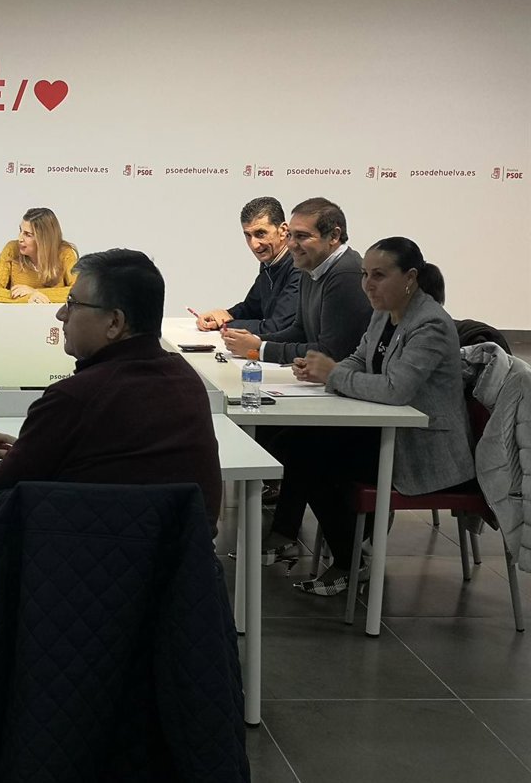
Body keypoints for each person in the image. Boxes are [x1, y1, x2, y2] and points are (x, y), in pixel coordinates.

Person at [0, 248, 221, 532]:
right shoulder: (187, 381)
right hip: (183, 557)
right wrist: (28, 453)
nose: (60, 314)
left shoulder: (73, 398)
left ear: (114, 322)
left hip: (84, 556)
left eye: (72, 303)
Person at [269, 238, 474, 596]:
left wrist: (333, 374)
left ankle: (347, 561)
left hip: (422, 448)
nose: (367, 285)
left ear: (410, 277)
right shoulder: (384, 312)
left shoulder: (430, 324)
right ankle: (325, 545)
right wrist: (325, 372)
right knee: (297, 440)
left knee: (312, 455)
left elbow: (396, 389)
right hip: (388, 431)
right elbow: (360, 358)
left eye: (378, 275)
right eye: (365, 275)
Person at [222, 197, 371, 364]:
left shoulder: (346, 274)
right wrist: (255, 341)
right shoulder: (311, 266)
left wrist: (260, 349)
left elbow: (331, 353)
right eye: (290, 235)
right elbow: (299, 331)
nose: (291, 244)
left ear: (334, 236)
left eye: (301, 236)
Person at [196, 196, 300, 334]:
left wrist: (225, 324)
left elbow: (277, 327)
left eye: (260, 234)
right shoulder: (270, 263)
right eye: (248, 235)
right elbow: (251, 308)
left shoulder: (300, 267)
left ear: (283, 231)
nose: (254, 245)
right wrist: (221, 316)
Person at [0, 207, 78, 304]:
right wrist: (28, 298)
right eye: (20, 231)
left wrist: (35, 292)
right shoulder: (12, 249)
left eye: (28, 234)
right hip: (18, 313)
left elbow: (79, 292)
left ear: (44, 240)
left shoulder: (65, 253)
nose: (20, 239)